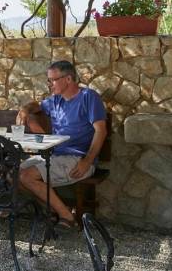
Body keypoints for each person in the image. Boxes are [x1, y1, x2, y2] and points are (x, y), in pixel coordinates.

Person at [16, 60, 107, 229]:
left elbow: (101, 131)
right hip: (55, 155)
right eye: (48, 80)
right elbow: (36, 105)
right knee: (13, 175)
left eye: (53, 80)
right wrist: (25, 110)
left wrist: (87, 161)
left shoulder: (88, 97)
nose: (50, 84)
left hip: (77, 158)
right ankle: (58, 211)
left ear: (69, 79)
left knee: (26, 176)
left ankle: (67, 217)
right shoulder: (56, 100)